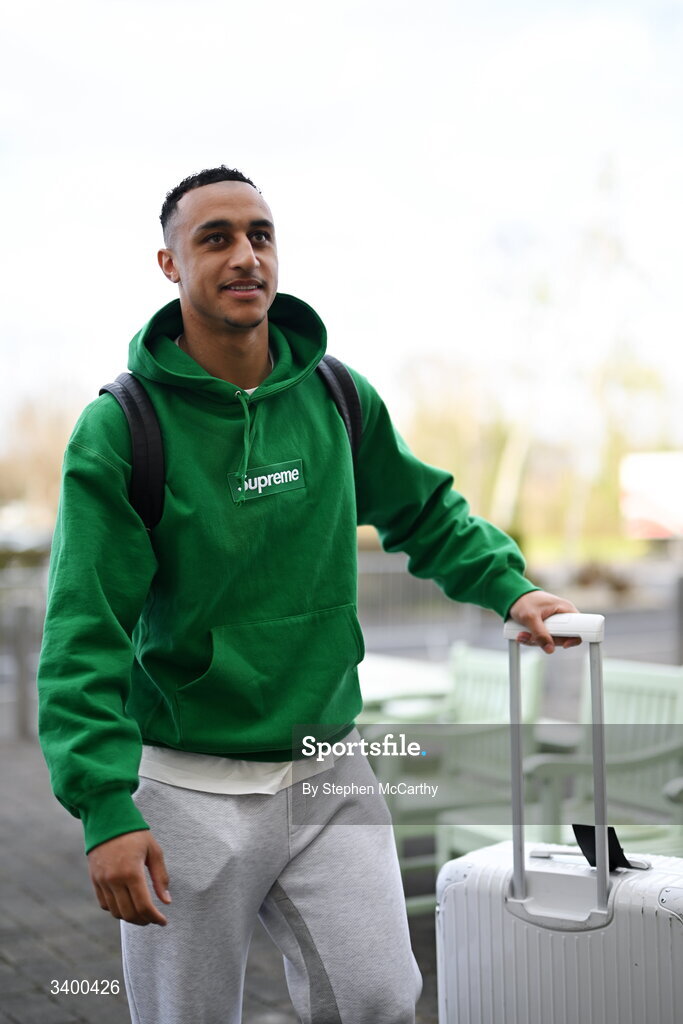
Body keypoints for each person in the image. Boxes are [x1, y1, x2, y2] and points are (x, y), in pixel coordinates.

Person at [37, 166, 579, 1024]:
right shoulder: (123, 427)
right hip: (186, 788)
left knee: (378, 999)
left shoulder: (333, 394)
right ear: (169, 265)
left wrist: (511, 590)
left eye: (260, 234)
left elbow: (423, 509)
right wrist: (104, 806)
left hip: (328, 770)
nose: (245, 255)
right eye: (214, 238)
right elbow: (82, 631)